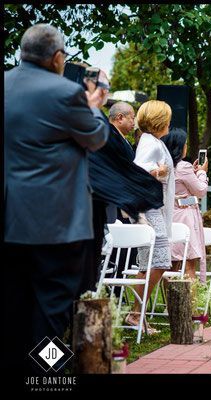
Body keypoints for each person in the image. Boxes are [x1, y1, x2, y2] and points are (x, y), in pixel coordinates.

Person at [3, 23, 108, 374]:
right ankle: (49, 379)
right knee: (52, 312)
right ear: (57, 57)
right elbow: (94, 138)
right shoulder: (65, 93)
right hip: (55, 225)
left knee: (14, 308)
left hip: (9, 222)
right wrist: (94, 105)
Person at [83, 94, 164, 296]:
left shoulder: (123, 141)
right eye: (131, 117)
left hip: (119, 205)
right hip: (111, 205)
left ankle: (115, 291)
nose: (134, 122)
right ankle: (106, 291)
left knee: (122, 253)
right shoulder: (108, 137)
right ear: (120, 117)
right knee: (112, 251)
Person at [125, 100, 175, 333]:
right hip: (151, 209)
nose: (169, 122)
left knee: (149, 265)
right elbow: (137, 171)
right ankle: (136, 313)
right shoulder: (150, 143)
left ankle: (137, 314)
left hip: (152, 207)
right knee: (161, 262)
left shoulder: (151, 141)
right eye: (167, 118)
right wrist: (159, 171)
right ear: (160, 120)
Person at [161, 128, 209, 281]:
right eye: (185, 144)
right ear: (180, 146)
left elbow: (179, 196)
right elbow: (200, 191)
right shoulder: (183, 167)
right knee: (189, 263)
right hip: (185, 218)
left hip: (169, 216)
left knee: (171, 265)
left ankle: (171, 303)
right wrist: (202, 172)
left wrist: (192, 175)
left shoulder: (162, 165)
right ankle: (188, 304)